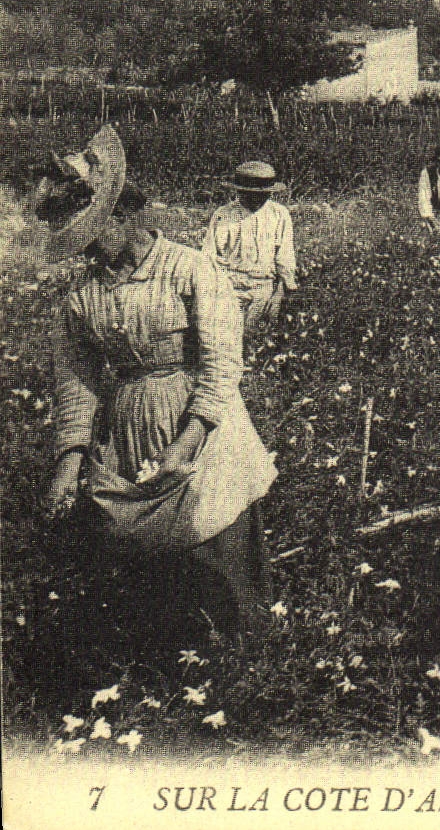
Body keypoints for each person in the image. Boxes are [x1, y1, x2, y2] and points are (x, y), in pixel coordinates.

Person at [33, 127, 277, 645]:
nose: (89, 250)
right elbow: (76, 384)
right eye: (78, 242)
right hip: (131, 431)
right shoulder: (82, 297)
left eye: (93, 233)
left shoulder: (189, 268)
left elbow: (221, 364)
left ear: (124, 214)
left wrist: (188, 441)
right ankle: (169, 672)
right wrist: (68, 463)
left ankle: (247, 667)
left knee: (216, 541)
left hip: (204, 427)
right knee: (145, 558)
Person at [203, 160, 298, 343]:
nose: (257, 199)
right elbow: (208, 257)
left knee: (256, 340)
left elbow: (285, 259)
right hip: (229, 288)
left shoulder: (279, 214)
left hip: (263, 288)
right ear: (239, 191)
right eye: (250, 194)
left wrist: (279, 293)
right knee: (226, 342)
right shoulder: (223, 214)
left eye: (263, 195)